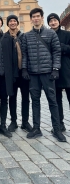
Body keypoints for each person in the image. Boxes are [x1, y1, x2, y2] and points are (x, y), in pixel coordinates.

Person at [22, 8, 66, 142]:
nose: (36, 18)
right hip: (33, 74)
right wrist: (24, 69)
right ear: (31, 19)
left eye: (38, 16)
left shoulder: (51, 34)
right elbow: (24, 55)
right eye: (33, 17)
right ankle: (36, 128)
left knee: (52, 101)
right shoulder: (26, 36)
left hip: (48, 73)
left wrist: (55, 69)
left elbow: (56, 52)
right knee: (35, 101)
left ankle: (57, 129)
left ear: (42, 18)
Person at [6, 15, 33, 133]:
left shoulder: (23, 36)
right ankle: (13, 121)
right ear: (7, 24)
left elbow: (27, 53)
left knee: (25, 98)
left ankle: (25, 122)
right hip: (12, 73)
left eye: (14, 21)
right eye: (10, 21)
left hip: (23, 72)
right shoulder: (5, 37)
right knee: (12, 97)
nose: (12, 23)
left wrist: (25, 69)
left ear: (17, 23)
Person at [47, 13, 70, 132]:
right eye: (50, 21)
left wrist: (60, 47)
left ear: (59, 21)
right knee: (56, 101)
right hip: (53, 72)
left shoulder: (67, 34)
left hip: (67, 71)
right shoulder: (47, 35)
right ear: (48, 23)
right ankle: (59, 123)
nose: (53, 22)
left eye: (55, 20)